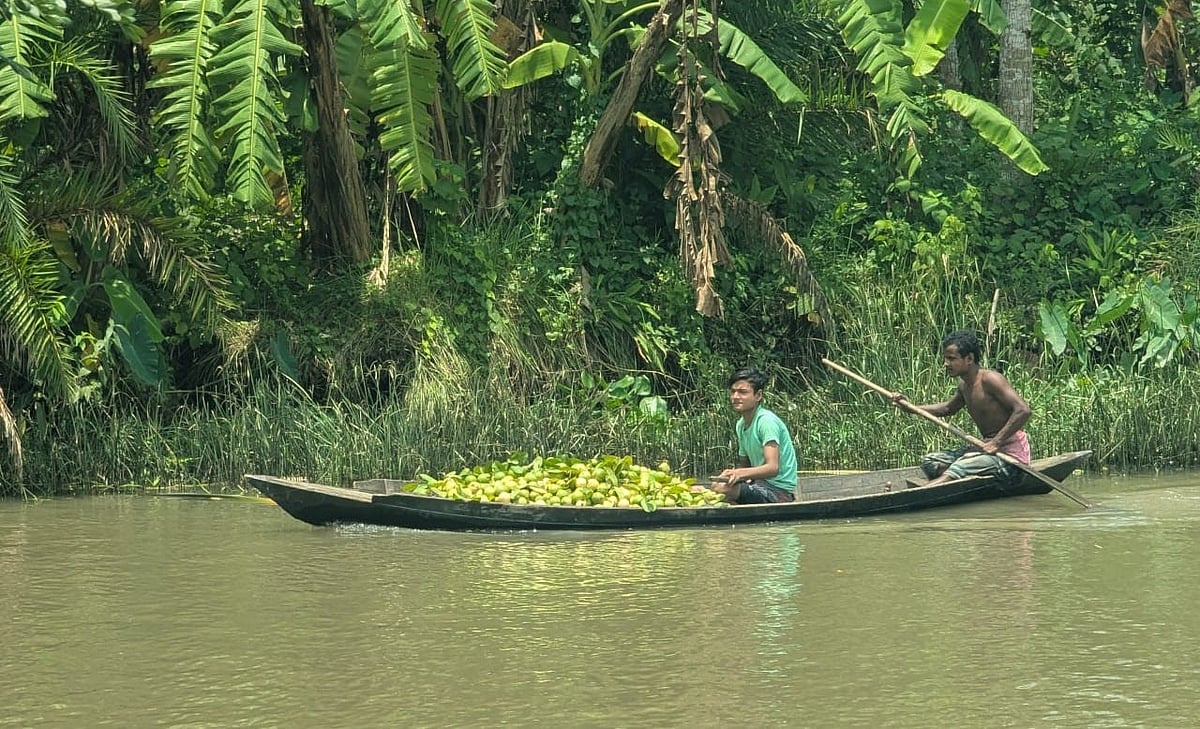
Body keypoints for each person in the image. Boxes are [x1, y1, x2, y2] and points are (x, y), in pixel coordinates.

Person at [895, 330, 1032, 488]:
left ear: (969, 359)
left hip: (1009, 457)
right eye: (946, 358)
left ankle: (942, 482)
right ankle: (961, 479)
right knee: (930, 462)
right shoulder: (964, 386)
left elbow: (1023, 410)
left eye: (952, 359)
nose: (946, 364)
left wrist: (996, 442)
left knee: (960, 467)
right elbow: (947, 408)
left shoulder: (990, 379)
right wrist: (910, 407)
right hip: (986, 449)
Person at [713, 366, 799, 504]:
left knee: (724, 491)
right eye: (733, 392)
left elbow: (772, 468)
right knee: (717, 485)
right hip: (758, 484)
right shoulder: (741, 424)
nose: (735, 397)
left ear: (758, 396)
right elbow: (745, 465)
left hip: (778, 491)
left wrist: (740, 474)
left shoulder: (766, 422)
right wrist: (732, 474)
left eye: (742, 392)